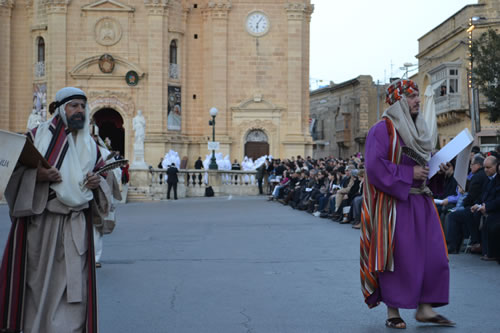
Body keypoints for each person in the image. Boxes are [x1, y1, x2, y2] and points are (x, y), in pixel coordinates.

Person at [0, 87, 111, 333]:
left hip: (76, 227)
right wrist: (37, 175)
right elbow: (10, 174)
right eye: (74, 106)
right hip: (43, 225)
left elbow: (106, 178)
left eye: (83, 106)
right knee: (40, 285)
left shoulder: (91, 146)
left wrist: (97, 182)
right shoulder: (36, 136)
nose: (79, 110)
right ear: (61, 109)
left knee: (76, 287)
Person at [360, 79, 454, 329]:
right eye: (411, 96)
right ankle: (393, 311)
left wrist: (440, 169)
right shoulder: (382, 130)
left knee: (435, 256)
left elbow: (425, 162)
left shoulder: (421, 130)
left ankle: (425, 308)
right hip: (394, 205)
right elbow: (373, 166)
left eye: (416, 96)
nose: (417, 100)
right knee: (399, 258)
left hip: (422, 202)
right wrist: (408, 175)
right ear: (398, 101)